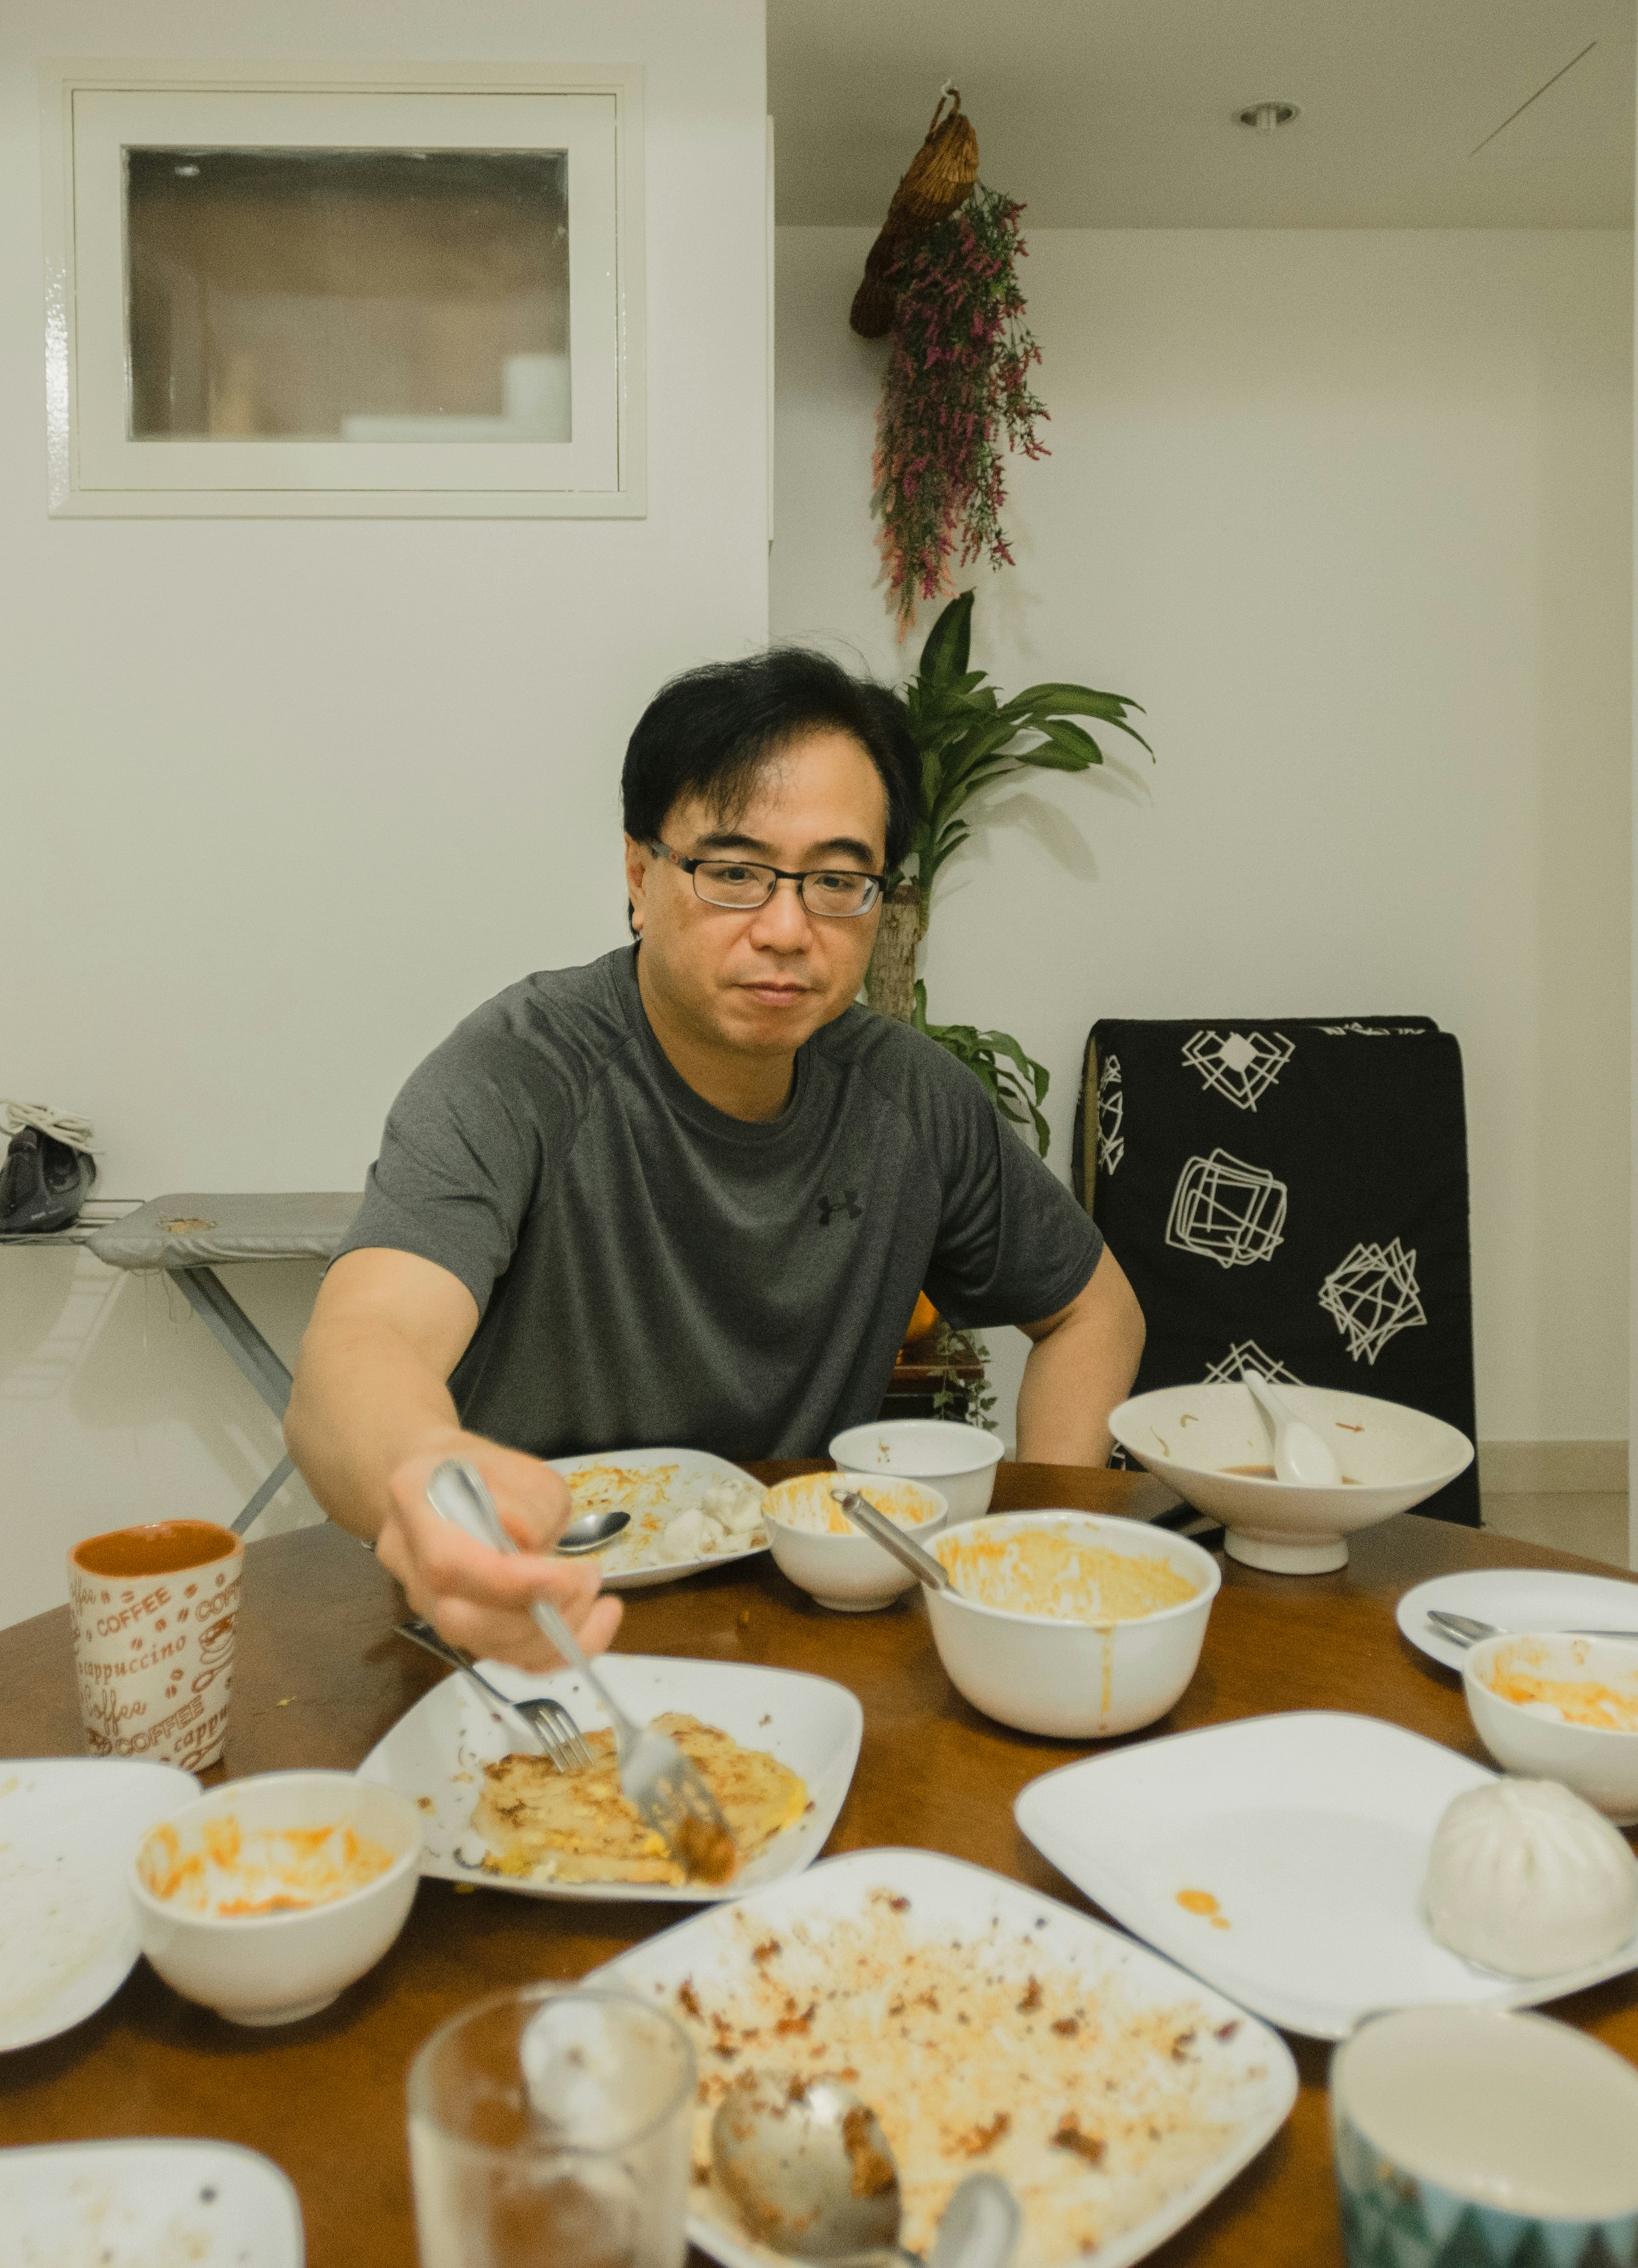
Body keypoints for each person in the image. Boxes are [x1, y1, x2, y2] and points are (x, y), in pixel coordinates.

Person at [286, 645, 1145, 1673]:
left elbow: (1096, 1311)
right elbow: (360, 1347)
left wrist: (1048, 1544)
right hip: (531, 1632)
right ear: (639, 877)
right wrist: (430, 1476)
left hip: (801, 1634)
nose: (787, 928)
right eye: (735, 873)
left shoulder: (911, 1101)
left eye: (837, 881)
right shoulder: (517, 1073)